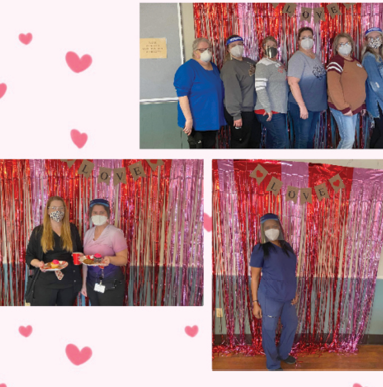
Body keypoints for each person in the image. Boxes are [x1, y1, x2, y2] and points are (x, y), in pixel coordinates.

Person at [250, 213, 298, 371]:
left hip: (288, 296)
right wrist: (255, 303)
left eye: (274, 226)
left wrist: (295, 292)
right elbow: (255, 277)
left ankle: (283, 354)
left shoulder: (287, 247)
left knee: (291, 324)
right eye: (267, 227)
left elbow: (291, 272)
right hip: (269, 296)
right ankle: (273, 364)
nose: (271, 229)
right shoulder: (260, 249)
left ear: (280, 227)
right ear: (263, 230)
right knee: (269, 329)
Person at [25, 196, 83, 306]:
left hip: (69, 283)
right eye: (54, 208)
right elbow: (29, 256)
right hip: (45, 283)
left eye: (61, 208)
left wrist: (81, 257)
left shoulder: (72, 229)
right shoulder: (38, 231)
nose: (58, 211)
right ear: (48, 211)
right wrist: (39, 264)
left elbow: (79, 252)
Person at [173, 37, 226, 149]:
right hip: (197, 122)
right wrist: (189, 119)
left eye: (208, 49)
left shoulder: (214, 67)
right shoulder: (187, 69)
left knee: (210, 147)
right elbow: (182, 96)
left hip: (212, 119)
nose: (206, 52)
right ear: (194, 52)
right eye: (202, 50)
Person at [81, 199, 128, 306]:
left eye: (102, 212)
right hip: (92, 283)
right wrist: (84, 284)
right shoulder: (88, 233)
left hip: (111, 283)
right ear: (90, 214)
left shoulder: (115, 233)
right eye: (95, 212)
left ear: (108, 214)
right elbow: (86, 262)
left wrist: (110, 259)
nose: (98, 215)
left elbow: (123, 259)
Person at [287, 27, 327, 148]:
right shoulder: (298, 58)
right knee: (302, 139)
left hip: (314, 106)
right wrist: (302, 106)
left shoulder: (315, 57)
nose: (307, 40)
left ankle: (307, 165)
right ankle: (298, 166)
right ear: (298, 41)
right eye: (304, 37)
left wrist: (322, 103)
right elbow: (292, 83)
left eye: (310, 37)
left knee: (309, 138)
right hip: (302, 106)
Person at [327, 33, 367, 149]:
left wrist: (362, 104)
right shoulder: (336, 62)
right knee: (348, 139)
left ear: (352, 45)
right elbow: (333, 87)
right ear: (336, 47)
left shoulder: (355, 62)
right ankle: (336, 166)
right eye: (341, 44)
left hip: (354, 107)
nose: (344, 45)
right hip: (343, 108)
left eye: (347, 43)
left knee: (349, 139)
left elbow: (360, 83)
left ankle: (341, 165)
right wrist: (343, 107)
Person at [220, 35, 261, 148]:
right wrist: (236, 115)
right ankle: (237, 165)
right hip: (240, 111)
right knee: (241, 143)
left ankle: (251, 165)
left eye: (239, 44)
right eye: (233, 45)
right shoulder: (230, 67)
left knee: (254, 141)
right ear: (228, 49)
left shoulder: (249, 62)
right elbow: (232, 93)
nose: (237, 47)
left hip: (252, 109)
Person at [254, 36, 289, 148]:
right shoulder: (262, 64)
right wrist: (267, 108)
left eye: (274, 46)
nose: (272, 48)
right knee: (281, 142)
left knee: (273, 140)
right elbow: (260, 87)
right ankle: (276, 165)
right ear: (263, 48)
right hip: (269, 110)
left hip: (278, 108)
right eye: (268, 46)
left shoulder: (278, 63)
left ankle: (269, 163)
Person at [362, 27, 383, 148]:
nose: (374, 40)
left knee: (378, 133)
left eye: (377, 37)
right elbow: (376, 85)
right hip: (378, 103)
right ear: (366, 41)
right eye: (371, 38)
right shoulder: (369, 57)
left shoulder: (379, 56)